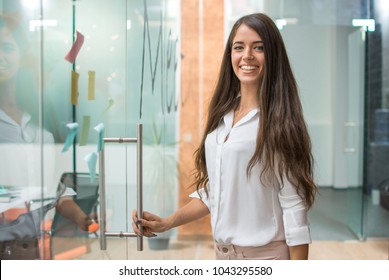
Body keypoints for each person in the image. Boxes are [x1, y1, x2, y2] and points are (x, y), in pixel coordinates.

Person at [132, 13, 317, 260]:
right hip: (224, 257)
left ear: (273, 55)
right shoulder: (223, 117)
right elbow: (216, 192)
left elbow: (294, 205)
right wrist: (167, 223)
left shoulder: (279, 122)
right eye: (238, 47)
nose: (247, 55)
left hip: (265, 258)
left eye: (259, 47)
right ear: (230, 54)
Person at [0, 13, 95, 259]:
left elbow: (53, 191)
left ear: (22, 55)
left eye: (7, 47)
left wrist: (84, 219)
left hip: (34, 248)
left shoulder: (39, 120)